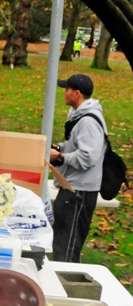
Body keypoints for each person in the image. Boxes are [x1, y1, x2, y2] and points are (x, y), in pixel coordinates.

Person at [49, 73, 107, 262]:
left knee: (67, 246)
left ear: (77, 94)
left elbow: (88, 156)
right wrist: (61, 148)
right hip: (73, 188)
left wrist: (60, 156)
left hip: (79, 192)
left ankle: (67, 285)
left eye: (67, 89)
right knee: (61, 242)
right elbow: (79, 148)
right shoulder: (81, 117)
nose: (64, 93)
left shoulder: (88, 121)